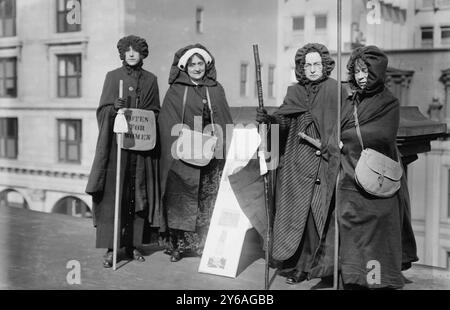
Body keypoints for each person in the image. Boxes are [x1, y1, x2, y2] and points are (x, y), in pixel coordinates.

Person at [256, 43, 342, 285]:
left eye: (317, 64)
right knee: (297, 218)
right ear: (301, 67)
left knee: (319, 219)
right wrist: (269, 120)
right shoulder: (294, 92)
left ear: (325, 65)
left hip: (324, 164)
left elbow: (342, 126)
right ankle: (298, 267)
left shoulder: (335, 91)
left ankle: (321, 269)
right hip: (296, 163)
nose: (313, 69)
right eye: (308, 65)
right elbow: (282, 126)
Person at [338, 45, 418, 289]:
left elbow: (382, 136)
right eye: (358, 71)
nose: (361, 76)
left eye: (366, 71)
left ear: (376, 72)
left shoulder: (389, 102)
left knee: (377, 239)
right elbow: (336, 128)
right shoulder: (351, 100)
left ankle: (377, 282)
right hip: (350, 179)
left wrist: (347, 136)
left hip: (376, 181)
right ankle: (355, 279)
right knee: (353, 237)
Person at [85, 35, 164, 268]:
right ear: (122, 53)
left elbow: (155, 112)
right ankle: (112, 248)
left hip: (140, 149)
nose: (131, 54)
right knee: (114, 194)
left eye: (136, 50)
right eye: (127, 50)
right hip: (116, 148)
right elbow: (101, 111)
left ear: (142, 54)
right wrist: (113, 109)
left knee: (136, 195)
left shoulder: (151, 80)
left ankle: (132, 245)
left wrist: (143, 117)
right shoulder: (113, 77)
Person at [159, 43, 233, 262]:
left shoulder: (216, 89)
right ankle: (178, 247)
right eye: (192, 64)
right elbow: (167, 122)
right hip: (183, 154)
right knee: (181, 199)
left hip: (210, 154)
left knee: (205, 199)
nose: (197, 68)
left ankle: (202, 245)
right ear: (185, 67)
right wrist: (180, 136)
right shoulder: (176, 90)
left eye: (200, 63)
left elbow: (224, 119)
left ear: (206, 65)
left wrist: (221, 142)